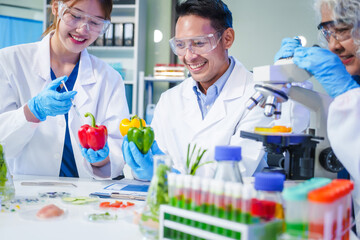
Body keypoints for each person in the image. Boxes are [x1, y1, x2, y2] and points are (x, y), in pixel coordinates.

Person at [122, 0, 308, 181]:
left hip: (228, 208)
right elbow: (146, 167)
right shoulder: (169, 99)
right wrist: (140, 169)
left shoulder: (261, 94)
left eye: (199, 43)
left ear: (227, 38)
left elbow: (236, 171)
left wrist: (169, 175)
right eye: (180, 45)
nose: (189, 56)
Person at [0, 0, 129, 179]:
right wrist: (31, 111)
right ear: (56, 8)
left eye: (95, 22)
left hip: (86, 197)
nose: (83, 29)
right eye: (75, 16)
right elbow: (3, 144)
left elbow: (117, 152)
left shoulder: (110, 78)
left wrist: (101, 158)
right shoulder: (9, 62)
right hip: (27, 193)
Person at [275, 0, 360, 235]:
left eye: (342, 30)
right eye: (327, 32)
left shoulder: (346, 89)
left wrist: (346, 94)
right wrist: (294, 78)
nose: (333, 46)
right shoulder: (351, 85)